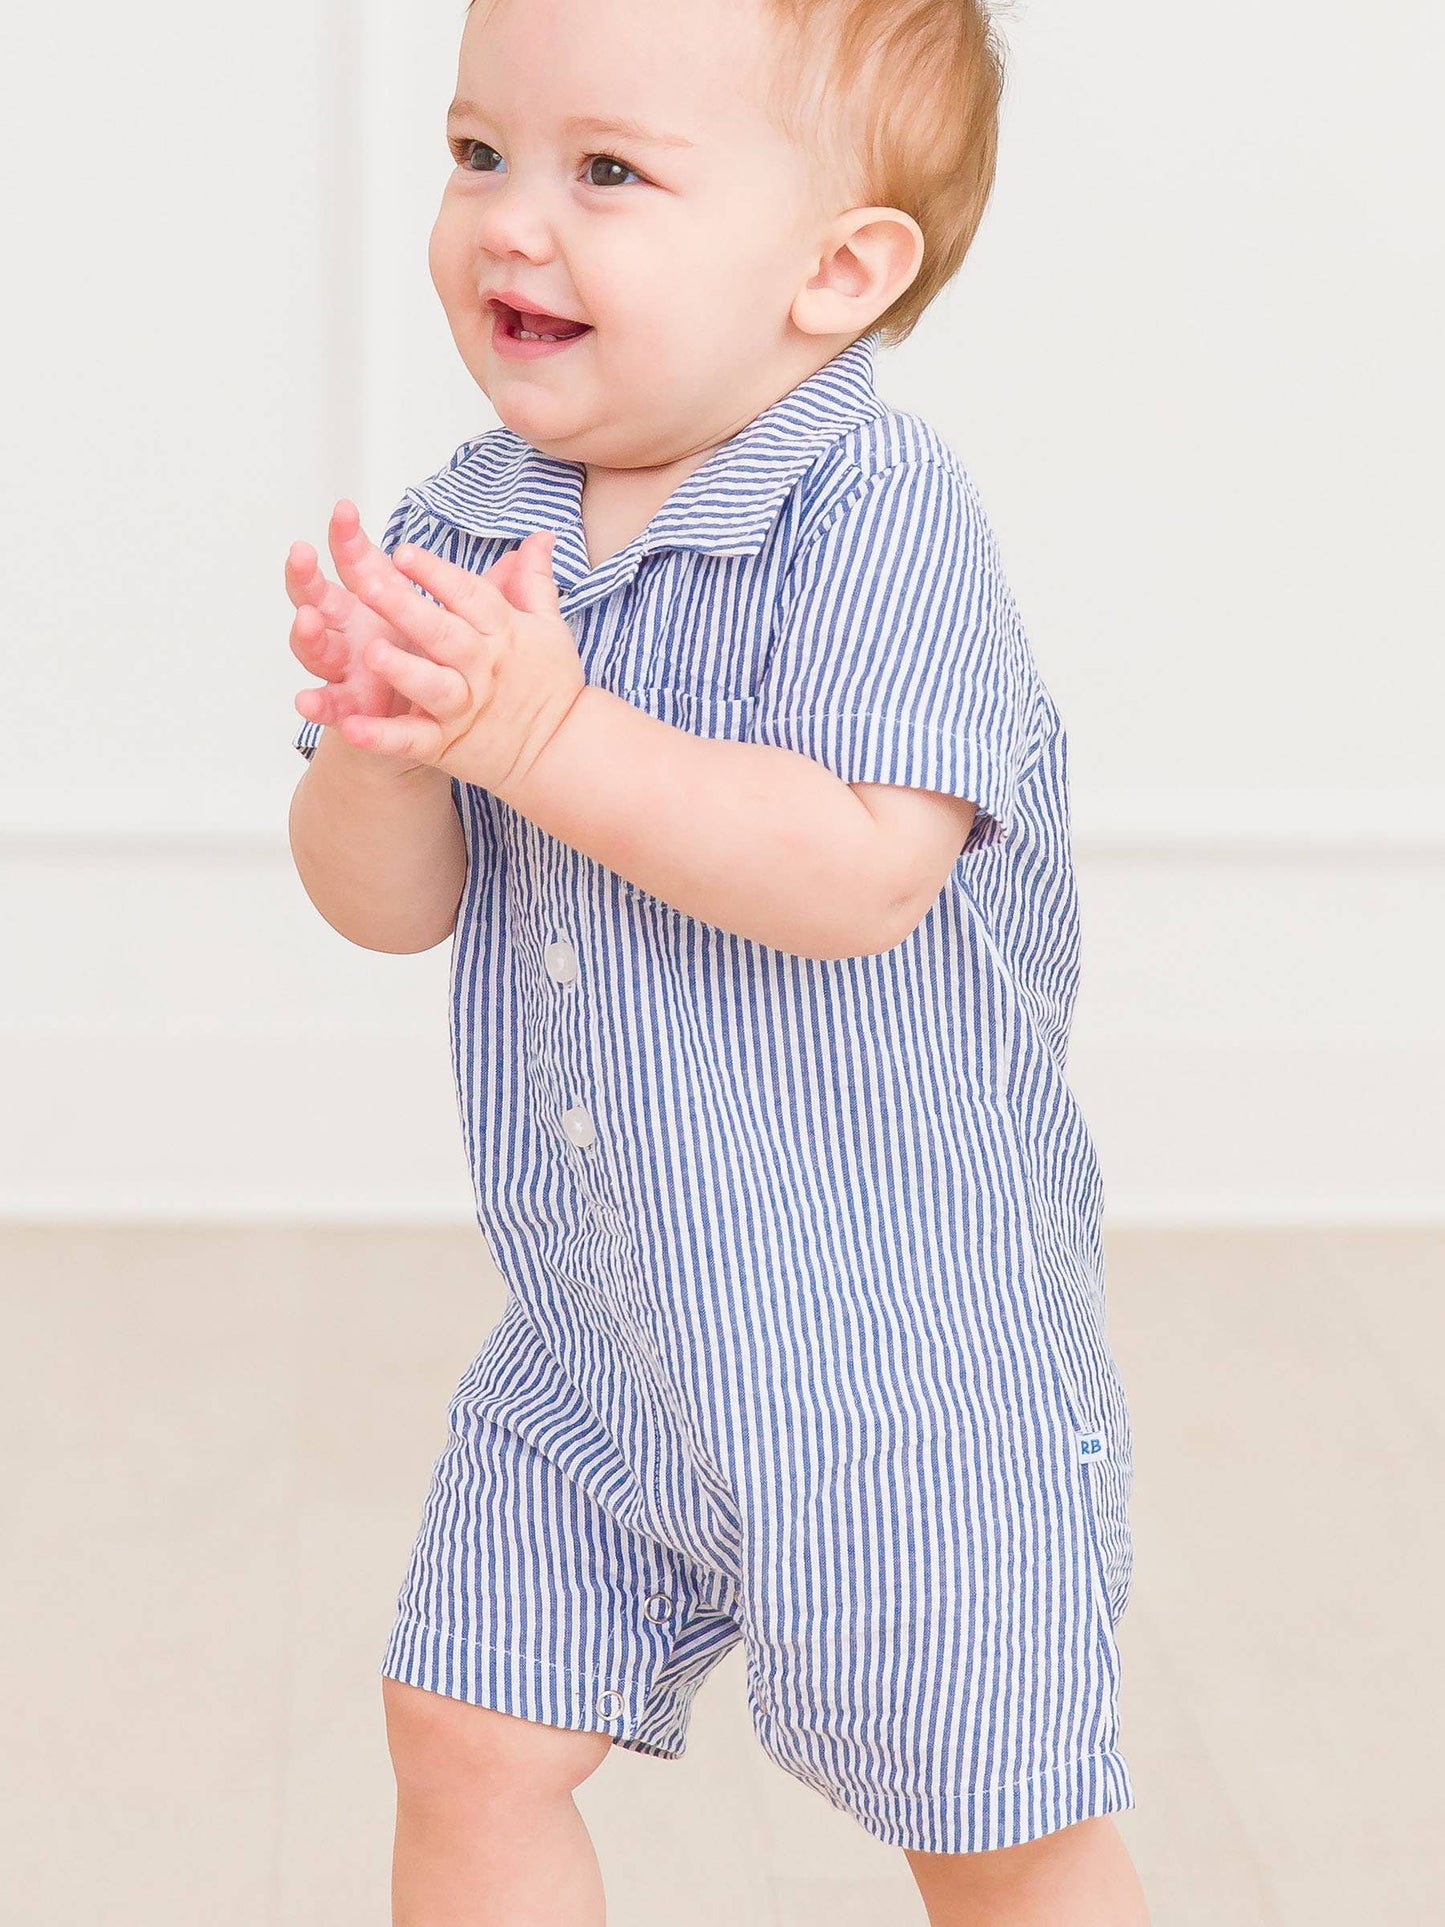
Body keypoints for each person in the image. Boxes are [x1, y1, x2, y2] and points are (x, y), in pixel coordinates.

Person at [285, 0, 1152, 1919]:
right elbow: (389, 905)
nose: (512, 219)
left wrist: (541, 736)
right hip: (600, 1335)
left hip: (900, 1363)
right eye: (477, 153)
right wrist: (380, 751)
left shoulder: (876, 518)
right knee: (462, 1729)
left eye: (607, 170)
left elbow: (857, 875)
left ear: (835, 271)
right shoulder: (470, 529)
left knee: (993, 1817)